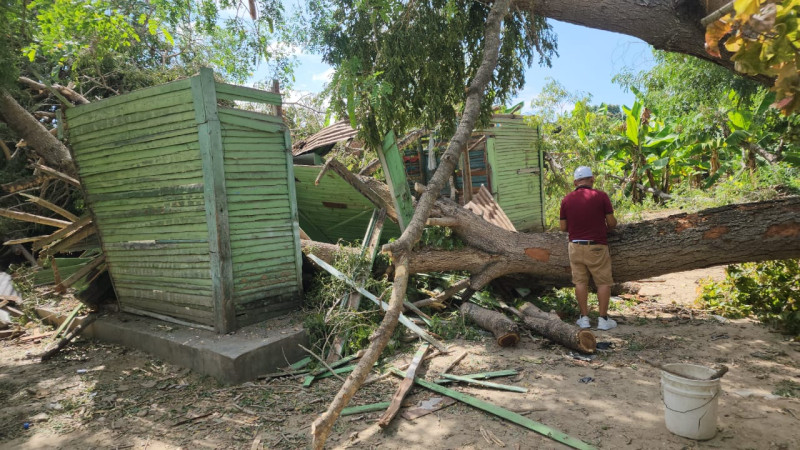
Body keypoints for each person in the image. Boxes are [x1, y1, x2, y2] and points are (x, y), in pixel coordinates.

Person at [559, 166, 618, 330]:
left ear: (575, 182)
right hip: (597, 246)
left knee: (580, 282)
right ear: (592, 179)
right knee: (603, 282)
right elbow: (611, 222)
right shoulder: (601, 196)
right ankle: (603, 319)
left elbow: (563, 227)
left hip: (575, 246)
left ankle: (584, 318)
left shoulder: (566, 200)